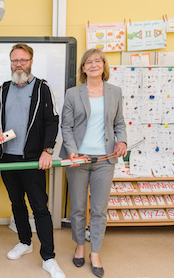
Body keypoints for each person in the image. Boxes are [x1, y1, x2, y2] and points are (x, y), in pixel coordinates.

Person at [0, 43, 65, 278]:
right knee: (17, 203)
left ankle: (49, 258)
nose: (18, 64)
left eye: (22, 60)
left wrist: (47, 150)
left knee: (40, 207)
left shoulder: (42, 88)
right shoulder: (2, 89)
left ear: (31, 61)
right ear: (10, 63)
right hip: (8, 158)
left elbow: (52, 121)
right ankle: (24, 242)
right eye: (14, 60)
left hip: (33, 159)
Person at [59, 48, 127, 278]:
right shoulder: (72, 93)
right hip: (78, 159)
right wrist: (73, 152)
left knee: (99, 210)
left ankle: (95, 252)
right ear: (83, 68)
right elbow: (66, 126)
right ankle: (80, 246)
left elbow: (120, 123)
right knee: (78, 207)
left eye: (98, 61)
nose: (94, 64)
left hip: (105, 160)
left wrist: (122, 142)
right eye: (89, 62)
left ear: (104, 66)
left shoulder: (115, 92)